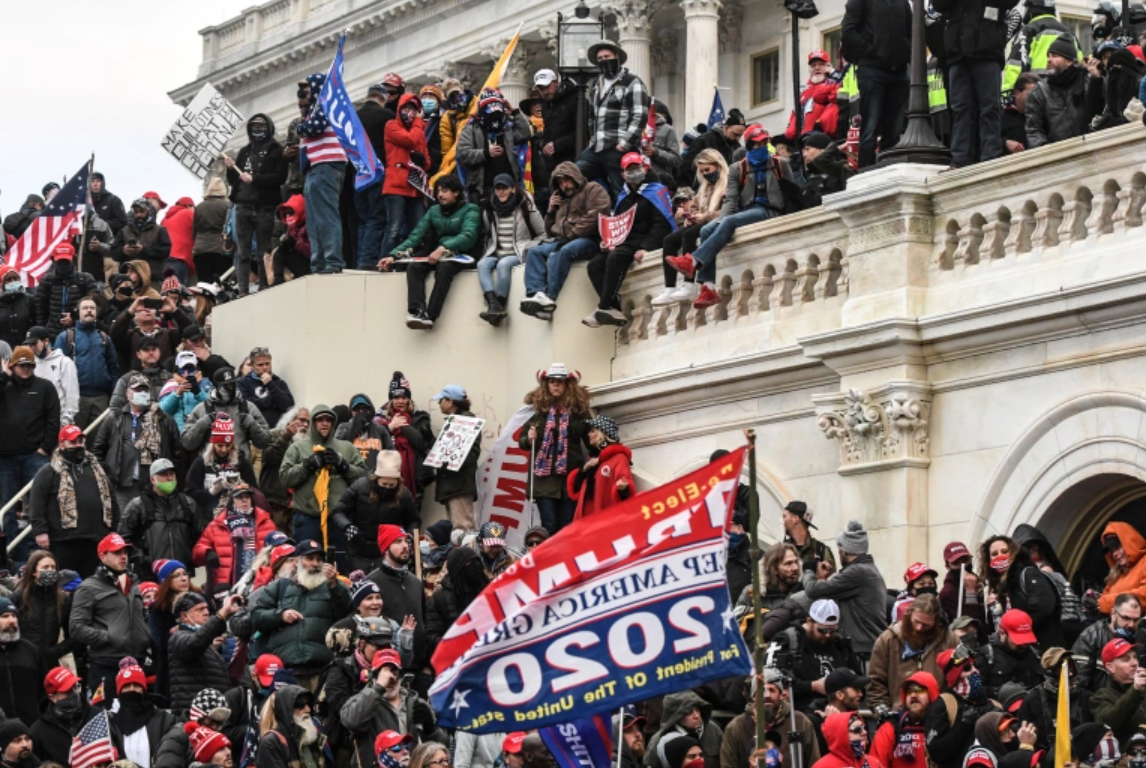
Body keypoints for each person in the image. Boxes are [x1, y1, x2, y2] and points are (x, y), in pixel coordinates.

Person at [667, 123, 791, 309]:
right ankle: (708, 287)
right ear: (748, 145)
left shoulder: (780, 164)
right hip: (745, 210)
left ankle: (693, 261)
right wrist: (720, 220)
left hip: (769, 210)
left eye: (763, 143)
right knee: (709, 228)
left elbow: (792, 192)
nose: (760, 147)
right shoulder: (737, 168)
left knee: (730, 220)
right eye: (756, 144)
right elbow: (731, 200)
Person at [380, 175, 480, 330]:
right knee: (414, 267)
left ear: (456, 193)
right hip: (438, 254)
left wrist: (444, 248)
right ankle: (417, 310)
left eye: (444, 191)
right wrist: (393, 255)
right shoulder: (434, 211)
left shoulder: (471, 209)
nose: (440, 194)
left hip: (462, 254)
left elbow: (469, 236)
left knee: (445, 268)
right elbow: (416, 236)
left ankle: (430, 315)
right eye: (438, 191)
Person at [586, 153, 674, 327]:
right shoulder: (622, 196)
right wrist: (608, 241)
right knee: (594, 265)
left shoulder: (657, 191)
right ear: (623, 174)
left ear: (645, 168)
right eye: (630, 169)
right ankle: (614, 307)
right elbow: (617, 224)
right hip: (625, 242)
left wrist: (646, 247)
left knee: (616, 257)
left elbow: (662, 225)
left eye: (637, 168)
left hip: (643, 240)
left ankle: (603, 307)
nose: (634, 172)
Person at [251, 539, 352, 688]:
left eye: (319, 559)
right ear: (298, 561)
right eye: (309, 558)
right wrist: (280, 615)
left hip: (322, 671)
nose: (315, 564)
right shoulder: (280, 587)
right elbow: (256, 617)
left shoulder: (333, 587)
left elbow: (346, 613)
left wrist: (334, 585)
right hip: (285, 671)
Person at [519, 162, 609, 320]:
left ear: (575, 177)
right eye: (560, 183)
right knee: (535, 253)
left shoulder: (592, 189)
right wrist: (551, 211)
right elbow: (550, 231)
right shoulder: (563, 200)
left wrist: (571, 236)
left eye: (566, 180)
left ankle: (550, 297)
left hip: (590, 239)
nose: (564, 186)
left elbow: (596, 214)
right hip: (562, 240)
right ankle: (537, 294)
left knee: (562, 253)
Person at [930, 0, 1015, 167]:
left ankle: (990, 157)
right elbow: (938, 5)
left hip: (986, 50)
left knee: (989, 107)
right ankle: (960, 158)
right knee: (961, 109)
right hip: (958, 53)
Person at [68, 533, 150, 699]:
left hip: (138, 662)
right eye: (117, 552)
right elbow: (76, 628)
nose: (123, 557)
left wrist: (146, 636)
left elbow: (143, 617)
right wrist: (108, 637)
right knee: (105, 716)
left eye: (125, 553)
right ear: (102, 556)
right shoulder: (88, 588)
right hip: (107, 664)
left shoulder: (134, 583)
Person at [28, 426, 116, 577]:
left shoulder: (98, 470)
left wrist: (113, 529)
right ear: (62, 445)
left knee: (92, 585)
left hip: (95, 539)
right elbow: (37, 501)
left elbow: (112, 498)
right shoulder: (49, 471)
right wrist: (40, 531)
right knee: (65, 585)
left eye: (80, 441)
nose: (78, 445)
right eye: (73, 442)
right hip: (63, 541)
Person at [91, 371, 183, 511]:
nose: (142, 392)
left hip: (153, 486)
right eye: (137, 389)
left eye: (145, 389)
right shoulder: (115, 418)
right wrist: (107, 476)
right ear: (128, 393)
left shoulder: (163, 419)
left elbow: (178, 452)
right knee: (124, 526)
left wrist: (167, 477)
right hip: (122, 486)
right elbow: (98, 451)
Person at [279, 404, 366, 546]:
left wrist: (343, 465)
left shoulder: (347, 448)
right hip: (308, 517)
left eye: (328, 420)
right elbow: (285, 478)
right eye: (320, 420)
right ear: (313, 423)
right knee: (308, 565)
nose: (325, 423)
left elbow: (363, 478)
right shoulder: (297, 448)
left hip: (339, 519)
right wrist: (307, 465)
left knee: (341, 564)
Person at [799, 519, 887, 658]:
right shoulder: (867, 570)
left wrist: (809, 570)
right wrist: (823, 578)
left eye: (839, 550)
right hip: (868, 649)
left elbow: (812, 590)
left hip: (863, 653)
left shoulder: (856, 572)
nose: (838, 553)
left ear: (845, 551)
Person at [518, 365, 590, 533]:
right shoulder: (536, 412)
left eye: (560, 382)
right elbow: (522, 440)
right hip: (545, 480)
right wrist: (529, 438)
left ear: (567, 386)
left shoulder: (578, 412)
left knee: (568, 524)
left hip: (570, 478)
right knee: (549, 524)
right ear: (547, 385)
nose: (556, 385)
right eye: (552, 382)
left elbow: (591, 438)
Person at [652, 150, 727, 307]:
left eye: (707, 170)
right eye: (702, 171)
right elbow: (694, 205)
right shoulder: (704, 187)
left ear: (718, 165)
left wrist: (705, 216)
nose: (705, 174)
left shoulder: (727, 184)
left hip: (715, 222)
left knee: (690, 235)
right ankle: (669, 287)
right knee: (669, 240)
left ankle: (689, 284)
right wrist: (691, 216)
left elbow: (728, 210)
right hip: (703, 221)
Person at [0, 346, 61, 539]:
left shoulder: (45, 387)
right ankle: (8, 552)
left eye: (29, 365)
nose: (25, 369)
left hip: (36, 456)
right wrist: (3, 377)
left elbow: (53, 419)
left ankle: (38, 549)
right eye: (21, 365)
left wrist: (45, 448)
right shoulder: (4, 386)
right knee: (6, 506)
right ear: (12, 365)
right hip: (5, 458)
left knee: (40, 504)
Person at [841, 0, 911, 167]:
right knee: (870, 129)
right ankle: (866, 172)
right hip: (872, 70)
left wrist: (905, 53)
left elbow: (911, 31)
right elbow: (848, 32)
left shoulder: (902, 2)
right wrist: (872, 52)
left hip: (899, 72)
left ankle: (888, 169)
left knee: (893, 131)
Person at [577, 40, 651, 197]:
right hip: (597, 147)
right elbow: (592, 116)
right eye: (600, 58)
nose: (604, 60)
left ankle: (626, 219)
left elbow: (640, 115)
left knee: (622, 191)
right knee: (572, 174)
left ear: (616, 57)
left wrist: (624, 144)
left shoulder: (632, 81)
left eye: (607, 56)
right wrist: (592, 141)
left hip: (618, 147)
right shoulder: (596, 84)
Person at [224, 113, 287, 293]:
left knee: (263, 251)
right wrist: (230, 169)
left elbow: (280, 177)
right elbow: (235, 181)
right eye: (254, 127)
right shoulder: (244, 151)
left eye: (261, 127)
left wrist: (255, 179)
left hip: (264, 207)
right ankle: (242, 289)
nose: (257, 130)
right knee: (242, 252)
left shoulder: (276, 150)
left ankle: (263, 286)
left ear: (268, 128)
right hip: (242, 206)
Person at [340, 654, 442, 765]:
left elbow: (442, 747)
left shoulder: (417, 703)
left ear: (401, 676)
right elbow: (351, 721)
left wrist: (430, 729)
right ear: (374, 676)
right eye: (383, 672)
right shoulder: (361, 701)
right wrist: (379, 688)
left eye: (394, 672)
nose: (390, 678)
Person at [333, 451, 420, 574]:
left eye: (392, 485)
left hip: (387, 551)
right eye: (384, 484)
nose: (387, 488)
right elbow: (339, 511)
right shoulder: (360, 486)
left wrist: (408, 536)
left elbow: (413, 520)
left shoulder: (404, 494)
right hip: (358, 548)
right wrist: (347, 527)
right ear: (376, 478)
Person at [297, 73, 349, 274]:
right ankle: (318, 263)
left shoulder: (327, 103)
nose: (305, 92)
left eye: (308, 88)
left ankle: (333, 261)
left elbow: (313, 128)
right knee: (314, 221)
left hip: (326, 166)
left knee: (326, 216)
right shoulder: (314, 109)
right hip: (315, 168)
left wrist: (301, 128)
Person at [476, 176, 545, 326]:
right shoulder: (489, 208)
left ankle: (500, 303)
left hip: (518, 251)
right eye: (498, 188)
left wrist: (529, 247)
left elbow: (542, 233)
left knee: (504, 264)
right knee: (482, 264)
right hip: (496, 250)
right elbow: (487, 233)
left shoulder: (526, 205)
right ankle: (493, 304)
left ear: (513, 188)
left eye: (505, 188)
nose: (501, 192)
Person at [365, 525, 429, 681]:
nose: (405, 546)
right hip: (387, 669)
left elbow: (424, 622)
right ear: (386, 548)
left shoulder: (416, 582)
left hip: (419, 669)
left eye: (406, 541)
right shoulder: (372, 583)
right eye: (398, 542)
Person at [978, 534, 1063, 650]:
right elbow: (998, 627)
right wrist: (992, 610)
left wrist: (1018, 631)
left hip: (1042, 646)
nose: (1000, 556)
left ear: (1013, 553)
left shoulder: (1028, 574)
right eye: (994, 554)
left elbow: (1043, 608)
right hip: (1018, 651)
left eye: (1004, 551)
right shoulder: (998, 587)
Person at [781, 599, 863, 714]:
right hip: (802, 714)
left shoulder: (840, 643)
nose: (828, 635)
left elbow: (858, 678)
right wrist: (811, 686)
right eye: (822, 630)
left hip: (838, 714)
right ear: (809, 621)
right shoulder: (790, 640)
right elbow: (775, 680)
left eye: (832, 630)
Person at [118, 457, 200, 570]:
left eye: (172, 474)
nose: (169, 478)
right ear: (152, 480)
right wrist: (143, 560)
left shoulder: (188, 504)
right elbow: (123, 538)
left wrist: (191, 558)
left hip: (181, 573)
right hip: (150, 576)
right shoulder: (138, 505)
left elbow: (200, 537)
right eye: (164, 474)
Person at [168, 590, 242, 711]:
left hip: (208, 712)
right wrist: (223, 613)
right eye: (200, 610)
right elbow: (193, 645)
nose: (206, 613)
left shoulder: (205, 641)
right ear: (184, 616)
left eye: (207, 608)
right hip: (193, 715)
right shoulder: (177, 636)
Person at [925, 647, 999, 768]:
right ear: (955, 676)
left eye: (975, 665)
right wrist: (964, 724)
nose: (975, 671)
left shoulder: (993, 704)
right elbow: (937, 753)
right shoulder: (943, 706)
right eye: (967, 668)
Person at [193, 482, 276, 588]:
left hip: (259, 583)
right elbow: (197, 552)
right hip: (227, 586)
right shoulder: (218, 524)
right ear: (232, 501)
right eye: (239, 497)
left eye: (247, 497)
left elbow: (278, 549)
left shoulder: (265, 522)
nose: (244, 500)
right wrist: (207, 553)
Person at [456, 88, 531, 203]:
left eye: (498, 113)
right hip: (482, 189)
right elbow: (463, 154)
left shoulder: (507, 128)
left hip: (509, 188)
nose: (495, 117)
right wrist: (486, 153)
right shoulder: (470, 129)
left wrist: (515, 112)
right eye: (491, 113)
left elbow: (525, 133)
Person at [379, 93, 429, 263]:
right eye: (406, 109)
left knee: (416, 230)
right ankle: (385, 261)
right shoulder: (391, 125)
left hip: (415, 187)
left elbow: (427, 160)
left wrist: (423, 162)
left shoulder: (419, 131)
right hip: (395, 186)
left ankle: (410, 261)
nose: (410, 113)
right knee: (394, 228)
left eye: (413, 110)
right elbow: (410, 140)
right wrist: (418, 123)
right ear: (399, 109)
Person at [55, 297, 118, 429]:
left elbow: (113, 368)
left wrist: (113, 394)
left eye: (92, 308)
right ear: (78, 312)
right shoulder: (65, 337)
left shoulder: (104, 338)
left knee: (100, 441)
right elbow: (57, 370)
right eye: (85, 308)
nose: (89, 311)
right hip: (77, 399)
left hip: (101, 398)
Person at [182, 366, 273, 457]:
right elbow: (187, 443)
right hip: (210, 468)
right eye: (225, 385)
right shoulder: (202, 408)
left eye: (231, 384)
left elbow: (265, 442)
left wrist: (251, 423)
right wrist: (204, 422)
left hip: (240, 467)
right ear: (216, 386)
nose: (229, 389)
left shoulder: (248, 407)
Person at [1015, 647, 1092, 752]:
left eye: (1072, 667)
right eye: (1063, 669)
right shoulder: (1033, 701)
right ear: (1049, 673)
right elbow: (1023, 738)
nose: (1070, 674)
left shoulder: (1087, 698)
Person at [1025, 37, 1098, 148]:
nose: (1049, 60)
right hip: (1056, 158)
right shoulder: (1039, 92)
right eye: (1048, 56)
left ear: (1069, 61)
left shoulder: (1087, 82)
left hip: (1089, 151)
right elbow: (1034, 130)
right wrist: (1046, 151)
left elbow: (1102, 111)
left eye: (1055, 56)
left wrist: (1098, 79)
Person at [377, 373, 436, 506]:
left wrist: (403, 425)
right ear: (391, 400)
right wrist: (391, 427)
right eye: (396, 397)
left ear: (409, 399)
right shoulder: (381, 421)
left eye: (404, 397)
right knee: (390, 521)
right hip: (387, 480)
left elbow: (421, 444)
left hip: (414, 480)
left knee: (412, 521)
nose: (400, 401)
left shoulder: (420, 418)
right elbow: (375, 444)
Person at [185, 417, 260, 518]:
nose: (224, 450)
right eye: (220, 445)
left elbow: (255, 491)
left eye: (228, 445)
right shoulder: (201, 463)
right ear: (213, 444)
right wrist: (211, 492)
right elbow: (189, 493)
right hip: (208, 517)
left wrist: (241, 486)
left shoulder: (241, 462)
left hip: (237, 516)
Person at [429, 385, 480, 529]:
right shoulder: (456, 420)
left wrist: (448, 460)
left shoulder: (465, 421)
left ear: (450, 401)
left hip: (459, 484)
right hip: (454, 484)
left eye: (441, 400)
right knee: (456, 530)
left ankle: (468, 551)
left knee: (463, 528)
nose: (439, 403)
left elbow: (471, 454)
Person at [11, 551, 73, 668]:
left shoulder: (63, 599)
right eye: (45, 567)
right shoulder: (18, 597)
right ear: (34, 571)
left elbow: (73, 635)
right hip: (23, 663)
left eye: (53, 567)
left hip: (50, 664)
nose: (50, 570)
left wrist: (56, 651)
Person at [1002, 0, 1077, 93]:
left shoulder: (1028, 30)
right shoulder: (1070, 34)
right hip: (1065, 94)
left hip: (1035, 94)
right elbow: (1078, 63)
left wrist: (1008, 93)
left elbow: (1015, 64)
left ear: (1031, 9)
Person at [567, 415, 633, 519]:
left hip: (606, 523)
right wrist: (584, 469)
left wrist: (622, 488)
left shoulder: (618, 459)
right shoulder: (592, 460)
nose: (588, 434)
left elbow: (626, 491)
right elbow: (577, 490)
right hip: (588, 524)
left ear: (602, 435)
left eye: (593, 431)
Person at [425, 547, 487, 654]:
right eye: (469, 563)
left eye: (477, 561)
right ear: (458, 570)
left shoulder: (489, 592)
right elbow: (431, 636)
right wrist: (456, 646)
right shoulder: (440, 599)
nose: (475, 566)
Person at [1073, 592, 1139, 692]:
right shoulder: (1091, 636)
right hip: (1100, 701)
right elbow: (1078, 681)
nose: (1131, 625)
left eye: (1136, 620)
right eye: (1126, 618)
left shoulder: (1141, 637)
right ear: (1113, 614)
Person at [870, 672, 939, 768]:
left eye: (920, 690)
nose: (913, 695)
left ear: (932, 694)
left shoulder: (943, 726)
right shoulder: (891, 728)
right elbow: (875, 764)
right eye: (909, 691)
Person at [31, 666, 95, 764]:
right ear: (52, 697)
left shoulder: (96, 716)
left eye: (75, 686)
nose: (74, 693)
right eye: (68, 691)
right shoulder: (38, 732)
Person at [34, 243, 98, 338]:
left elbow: (96, 305)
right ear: (53, 261)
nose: (63, 265)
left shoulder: (85, 279)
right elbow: (40, 308)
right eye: (60, 261)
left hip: (80, 333)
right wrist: (42, 333)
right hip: (53, 334)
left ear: (73, 260)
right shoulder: (47, 280)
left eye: (66, 261)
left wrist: (74, 319)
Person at [976, 609, 1043, 700]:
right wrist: (1000, 692)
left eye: (1026, 639)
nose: (1024, 645)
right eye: (1018, 640)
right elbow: (977, 691)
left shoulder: (1033, 653)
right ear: (1002, 633)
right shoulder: (986, 656)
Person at [260, 407, 309, 529]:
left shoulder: (307, 443)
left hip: (297, 505)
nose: (306, 425)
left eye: (308, 422)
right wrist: (286, 437)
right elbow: (269, 458)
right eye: (302, 420)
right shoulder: (274, 435)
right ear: (290, 421)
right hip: (275, 501)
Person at [0, 597, 46, 726]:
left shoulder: (31, 651)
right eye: (5, 616)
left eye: (14, 616)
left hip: (31, 725)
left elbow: (44, 689)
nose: (11, 621)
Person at [1089, 638, 1146, 741]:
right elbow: (1108, 725)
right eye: (1126, 659)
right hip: (1128, 755)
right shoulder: (1100, 697)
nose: (1134, 663)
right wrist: (1135, 691)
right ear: (1110, 667)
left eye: (1135, 657)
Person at [256, 685, 324, 768]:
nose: (308, 709)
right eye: (300, 704)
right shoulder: (272, 743)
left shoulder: (311, 737)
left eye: (308, 704)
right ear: (287, 709)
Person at [25, 326, 79, 428]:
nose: (32, 348)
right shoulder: (29, 364)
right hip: (35, 425)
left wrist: (64, 423)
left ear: (46, 341)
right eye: (29, 344)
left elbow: (72, 397)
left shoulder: (65, 362)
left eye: (34, 343)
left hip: (58, 424)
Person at [536, 69, 581, 186]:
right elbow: (548, 130)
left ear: (556, 82)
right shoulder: (546, 104)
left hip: (574, 159)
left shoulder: (575, 98)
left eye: (547, 87)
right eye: (541, 89)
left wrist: (557, 145)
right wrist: (544, 144)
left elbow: (582, 132)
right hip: (553, 162)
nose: (544, 92)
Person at [111, 199, 173, 284]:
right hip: (129, 280)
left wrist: (144, 250)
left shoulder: (159, 230)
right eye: (136, 212)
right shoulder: (124, 231)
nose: (139, 214)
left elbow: (166, 251)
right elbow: (114, 253)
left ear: (148, 210)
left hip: (153, 279)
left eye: (142, 211)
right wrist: (124, 251)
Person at [235, 347, 294, 432]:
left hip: (275, 432)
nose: (265, 367)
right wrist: (270, 402)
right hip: (252, 433)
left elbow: (288, 406)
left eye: (267, 364)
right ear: (252, 366)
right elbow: (244, 404)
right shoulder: (243, 383)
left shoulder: (278, 382)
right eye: (260, 365)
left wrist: (270, 384)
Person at [192, 178, 233, 284]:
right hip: (221, 250)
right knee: (222, 284)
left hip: (201, 250)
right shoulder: (227, 206)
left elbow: (194, 230)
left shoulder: (198, 207)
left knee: (204, 284)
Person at [939, 541, 986, 625]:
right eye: (956, 563)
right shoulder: (947, 593)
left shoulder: (977, 580)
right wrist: (970, 591)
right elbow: (969, 622)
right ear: (947, 566)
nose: (962, 566)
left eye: (965, 560)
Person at [811, 712, 880, 768]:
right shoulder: (822, 766)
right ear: (840, 734)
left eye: (863, 728)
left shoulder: (874, 763)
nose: (865, 732)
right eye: (857, 730)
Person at [1003, 74, 1040, 153]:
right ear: (1017, 94)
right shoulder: (1002, 117)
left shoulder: (1041, 115)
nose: (1036, 98)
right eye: (1031, 94)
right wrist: (1005, 143)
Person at [0, 267, 34, 351]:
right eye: (8, 279)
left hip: (26, 349)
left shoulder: (29, 300)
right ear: (2, 283)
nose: (12, 282)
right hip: (4, 351)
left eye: (15, 278)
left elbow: (36, 323)